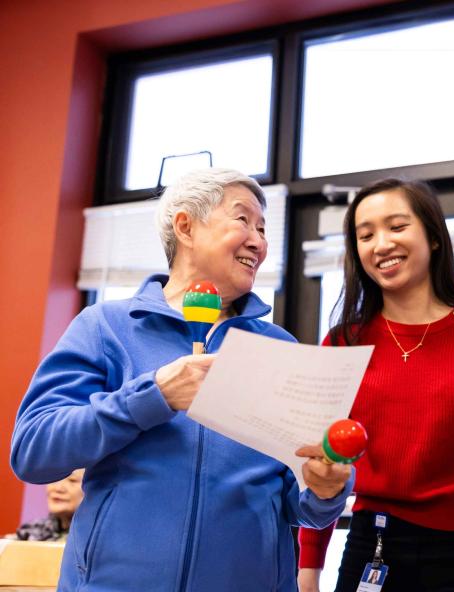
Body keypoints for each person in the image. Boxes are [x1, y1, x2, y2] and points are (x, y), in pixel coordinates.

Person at [10, 168, 354, 591]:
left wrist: (325, 489)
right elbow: (32, 451)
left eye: (264, 229)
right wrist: (153, 395)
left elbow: (299, 505)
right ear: (186, 226)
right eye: (243, 220)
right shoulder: (106, 326)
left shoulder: (279, 346)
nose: (258, 241)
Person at [297, 178, 454, 592]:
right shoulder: (344, 341)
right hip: (373, 545)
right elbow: (322, 464)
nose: (380, 244)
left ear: (434, 237)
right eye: (365, 235)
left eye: (397, 226)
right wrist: (308, 569)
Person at [11, 469, 84, 541]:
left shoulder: (91, 541)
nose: (58, 488)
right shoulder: (29, 534)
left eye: (72, 480)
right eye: (53, 479)